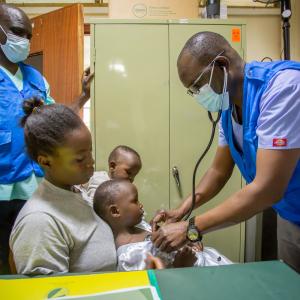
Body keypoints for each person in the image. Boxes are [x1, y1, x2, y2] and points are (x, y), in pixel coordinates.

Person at [151, 31, 300, 272]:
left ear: (221, 64)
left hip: (284, 200)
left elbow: (267, 188)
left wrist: (191, 228)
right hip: (291, 213)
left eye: (198, 85)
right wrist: (182, 211)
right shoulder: (228, 108)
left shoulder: (284, 89)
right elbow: (218, 172)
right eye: (193, 90)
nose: (198, 95)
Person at [0, 3, 94, 274]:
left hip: (33, 186)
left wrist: (83, 96)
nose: (25, 41)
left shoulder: (35, 78)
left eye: (29, 36)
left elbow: (56, 121)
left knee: (29, 259)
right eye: (18, 32)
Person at [10, 98, 116, 275]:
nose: (91, 162)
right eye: (80, 159)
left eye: (90, 151)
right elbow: (50, 292)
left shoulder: (74, 191)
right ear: (45, 161)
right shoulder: (39, 222)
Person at [93, 179, 232, 271]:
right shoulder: (128, 256)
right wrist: (181, 267)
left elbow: (170, 242)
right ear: (115, 211)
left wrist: (189, 241)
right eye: (135, 201)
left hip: (209, 260)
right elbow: (157, 285)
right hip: (198, 275)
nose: (140, 205)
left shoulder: (140, 227)